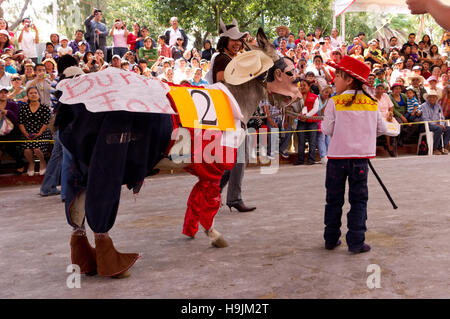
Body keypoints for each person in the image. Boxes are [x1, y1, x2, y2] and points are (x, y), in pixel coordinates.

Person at [321, 55, 387, 254]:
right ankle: (356, 242)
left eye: (338, 76)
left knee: (333, 199)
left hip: (336, 160)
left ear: (349, 79)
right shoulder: (371, 102)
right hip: (360, 160)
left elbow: (327, 130)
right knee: (359, 201)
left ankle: (331, 239)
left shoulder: (334, 102)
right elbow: (381, 128)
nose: (334, 80)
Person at [213, 19, 255, 213]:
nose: (237, 43)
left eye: (239, 40)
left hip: (234, 111)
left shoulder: (231, 58)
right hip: (229, 112)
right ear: (225, 41)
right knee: (237, 157)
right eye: (233, 40)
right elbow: (222, 80)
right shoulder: (222, 58)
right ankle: (232, 197)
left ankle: (217, 193)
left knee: (237, 157)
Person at [18, 86, 52, 176]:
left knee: (37, 149)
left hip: (42, 131)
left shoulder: (45, 108)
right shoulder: (23, 108)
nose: (33, 95)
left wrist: (39, 133)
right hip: (27, 132)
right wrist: (25, 133)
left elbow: (45, 123)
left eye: (35, 93)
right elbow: (20, 123)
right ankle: (31, 163)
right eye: (31, 93)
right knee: (27, 150)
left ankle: (42, 162)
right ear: (27, 96)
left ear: (38, 95)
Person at [0, 86, 25, 174]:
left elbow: (17, 120)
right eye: (1, 92)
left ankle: (20, 164)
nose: (3, 94)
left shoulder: (12, 104)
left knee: (10, 146)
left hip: (12, 130)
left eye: (5, 92)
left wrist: (8, 112)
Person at [294, 79, 319, 165]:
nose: (302, 87)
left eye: (304, 85)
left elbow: (315, 109)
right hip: (301, 122)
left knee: (312, 141)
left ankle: (311, 160)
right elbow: (295, 109)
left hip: (312, 122)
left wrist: (306, 116)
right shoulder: (297, 97)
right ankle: (300, 160)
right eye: (301, 85)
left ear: (309, 86)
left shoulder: (315, 97)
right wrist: (301, 116)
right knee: (301, 141)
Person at [420, 89, 450, 154]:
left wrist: (442, 124)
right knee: (439, 128)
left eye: (434, 97)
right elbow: (425, 119)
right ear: (427, 98)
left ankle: (443, 147)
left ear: (436, 98)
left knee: (448, 129)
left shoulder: (438, 106)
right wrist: (437, 125)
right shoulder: (424, 106)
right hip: (426, 126)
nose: (432, 98)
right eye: (430, 97)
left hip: (438, 126)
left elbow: (442, 117)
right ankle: (434, 148)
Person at [375, 83, 397, 157]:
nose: (380, 90)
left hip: (387, 115)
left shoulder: (386, 96)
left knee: (393, 125)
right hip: (377, 116)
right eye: (378, 89)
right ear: (375, 89)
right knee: (385, 125)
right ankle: (388, 145)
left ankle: (390, 144)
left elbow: (391, 107)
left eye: (382, 89)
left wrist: (391, 113)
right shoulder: (372, 97)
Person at [316, 85, 332, 163]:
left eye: (328, 94)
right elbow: (319, 111)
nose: (327, 95)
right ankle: (323, 156)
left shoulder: (328, 100)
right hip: (316, 120)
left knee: (327, 137)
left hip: (325, 120)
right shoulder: (317, 98)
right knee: (321, 137)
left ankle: (329, 155)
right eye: (326, 92)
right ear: (321, 91)